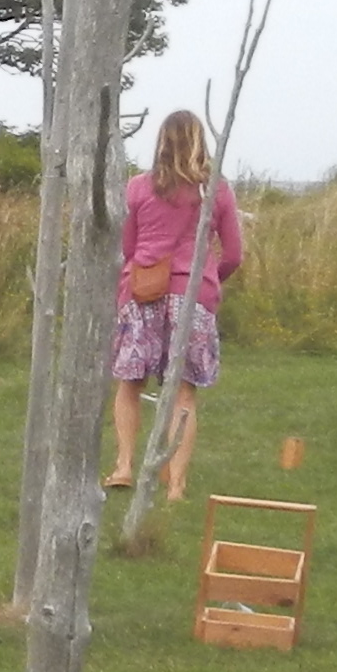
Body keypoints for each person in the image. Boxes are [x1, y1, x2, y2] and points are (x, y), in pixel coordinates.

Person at [104, 108, 246, 493]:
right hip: (193, 293)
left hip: (143, 290)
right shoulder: (216, 191)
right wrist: (209, 279)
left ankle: (124, 466)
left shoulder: (137, 187)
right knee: (183, 391)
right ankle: (176, 484)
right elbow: (234, 254)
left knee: (130, 382)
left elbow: (128, 247)